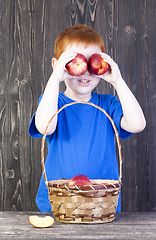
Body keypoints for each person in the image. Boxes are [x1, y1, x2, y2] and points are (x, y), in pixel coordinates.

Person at [29, 24, 146, 212]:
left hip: (101, 202)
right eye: (75, 61)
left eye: (92, 61)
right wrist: (54, 78)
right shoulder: (53, 103)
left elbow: (137, 124)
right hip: (59, 202)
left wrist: (118, 81)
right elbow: (45, 127)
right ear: (56, 65)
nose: (84, 71)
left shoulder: (108, 104)